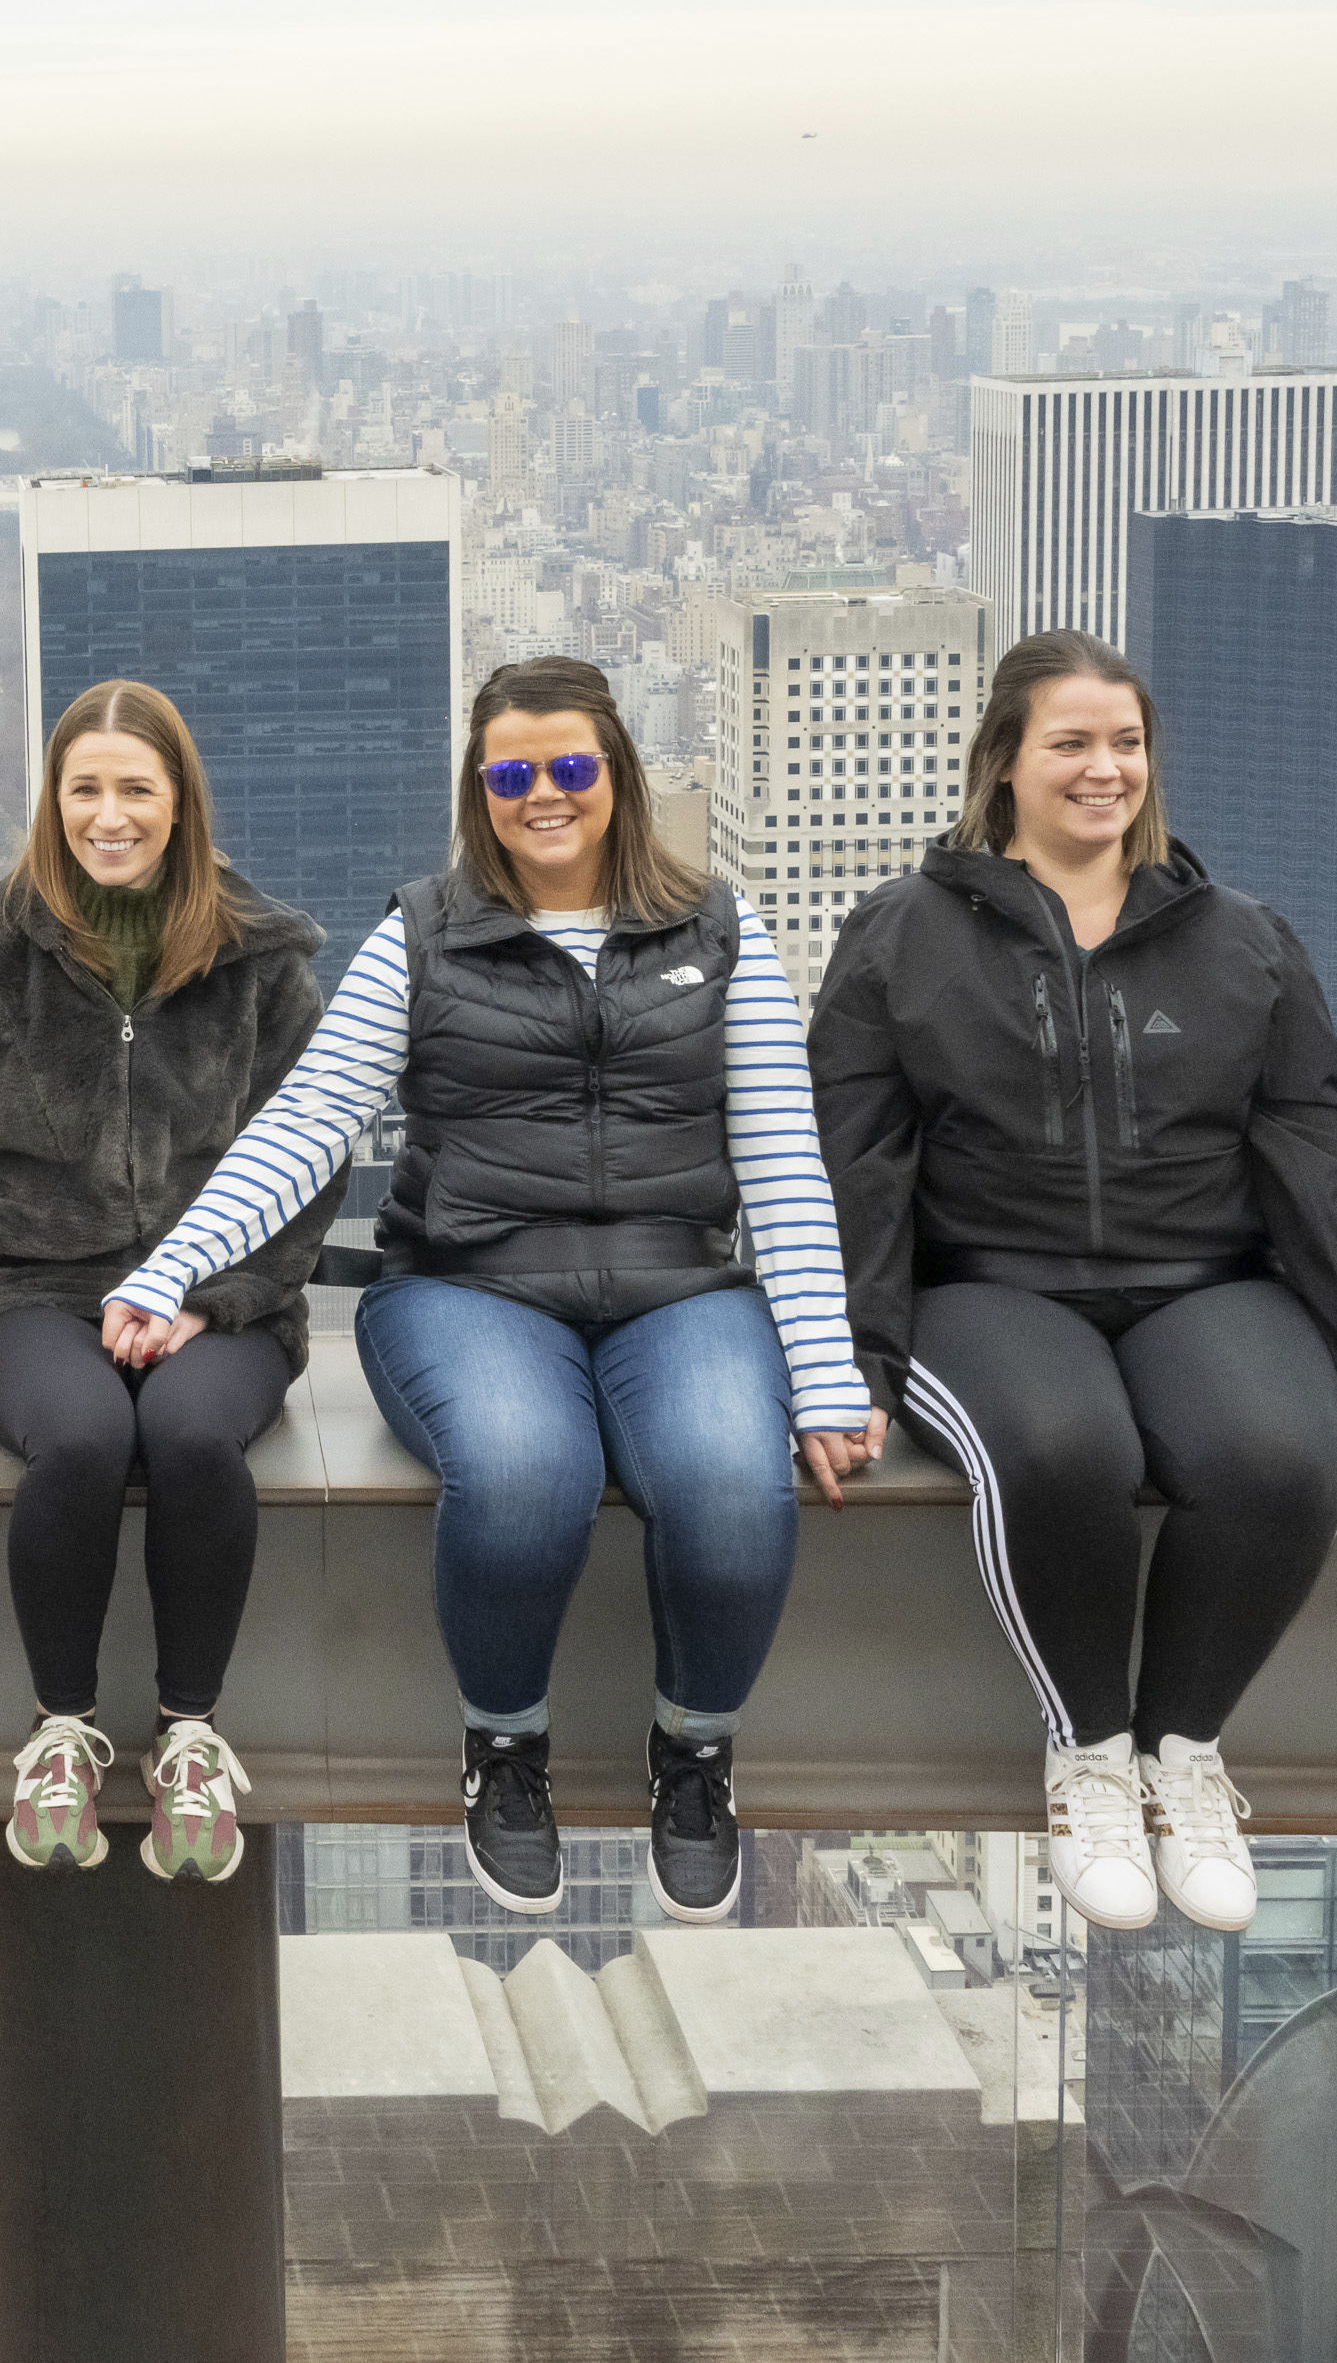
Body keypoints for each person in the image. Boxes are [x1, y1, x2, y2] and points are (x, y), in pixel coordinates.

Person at [111, 653, 871, 1923]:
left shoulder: (720, 929)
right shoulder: (419, 933)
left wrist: (823, 1371)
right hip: (468, 1284)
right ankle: (503, 1750)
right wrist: (177, 1264)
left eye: (571, 766)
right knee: (525, 1474)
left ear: (617, 777)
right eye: (510, 773)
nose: (543, 795)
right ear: (479, 790)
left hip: (678, 1284)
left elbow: (782, 1165)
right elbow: (310, 1121)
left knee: (732, 1489)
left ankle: (693, 1756)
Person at [812, 634, 1337, 1937]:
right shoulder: (904, 937)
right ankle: (1088, 1749)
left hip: (1205, 1278)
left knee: (1271, 1450)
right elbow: (850, 1168)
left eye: (1126, 743)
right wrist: (842, 1367)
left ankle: (1183, 1757)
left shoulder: (1242, 942)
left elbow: (1320, 1170)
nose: (1105, 769)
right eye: (1071, 743)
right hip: (991, 1282)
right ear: (1006, 765)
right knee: (1058, 1444)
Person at [0, 679, 332, 1881]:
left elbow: (315, 1156)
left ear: (179, 804)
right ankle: (60, 1732)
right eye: (85, 789)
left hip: (224, 1292)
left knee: (187, 1437)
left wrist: (213, 1300)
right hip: (30, 1286)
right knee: (76, 1438)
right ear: (53, 801)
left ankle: (188, 1733)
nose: (108, 815)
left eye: (136, 789)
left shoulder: (264, 963)